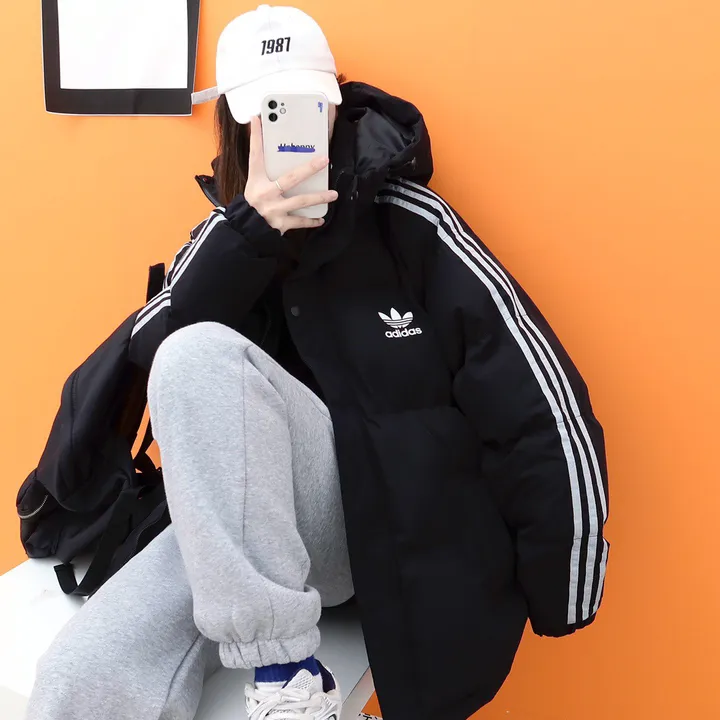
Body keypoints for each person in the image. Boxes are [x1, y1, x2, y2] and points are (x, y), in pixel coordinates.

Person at [26, 4, 610, 720]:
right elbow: (149, 359)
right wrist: (246, 236)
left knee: (199, 354)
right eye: (269, 113)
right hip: (247, 534)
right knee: (75, 680)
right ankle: (266, 664)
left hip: (376, 531)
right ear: (236, 124)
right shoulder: (220, 240)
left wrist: (565, 583)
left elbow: (537, 399)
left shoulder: (413, 225)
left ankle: (287, 681)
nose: (292, 132)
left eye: (305, 108)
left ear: (335, 106)